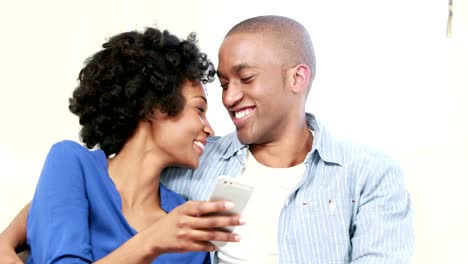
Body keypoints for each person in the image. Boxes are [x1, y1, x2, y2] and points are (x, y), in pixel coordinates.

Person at [1, 15, 414, 263]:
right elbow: (72, 194)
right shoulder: (199, 168)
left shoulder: (366, 173)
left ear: (297, 77)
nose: (228, 100)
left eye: (246, 78)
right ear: (154, 107)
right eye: (220, 86)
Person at [1, 27, 246, 264]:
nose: (209, 129)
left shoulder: (186, 225)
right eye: (199, 110)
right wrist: (152, 242)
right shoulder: (74, 164)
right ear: (155, 106)